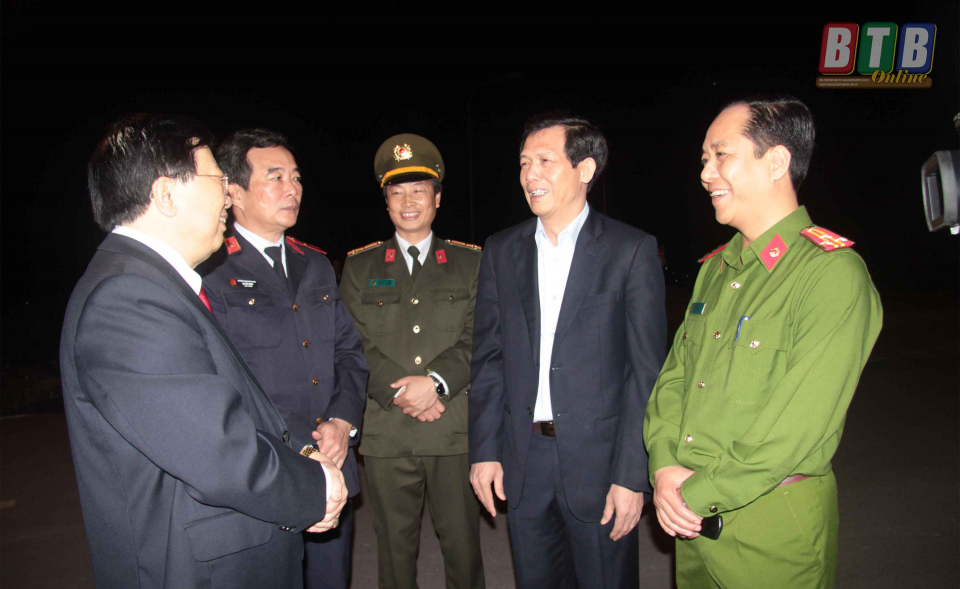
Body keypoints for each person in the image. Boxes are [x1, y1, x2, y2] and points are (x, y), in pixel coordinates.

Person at [60, 114, 346, 589]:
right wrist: (314, 487)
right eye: (217, 181)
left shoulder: (152, 285)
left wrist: (301, 448)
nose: (227, 198)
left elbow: (235, 405)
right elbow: (218, 451)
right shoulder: (127, 299)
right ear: (166, 195)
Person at [644, 98, 883, 588]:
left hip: (771, 532)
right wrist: (664, 465)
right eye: (704, 160)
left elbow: (797, 426)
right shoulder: (715, 269)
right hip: (690, 523)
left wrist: (693, 495)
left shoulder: (830, 273)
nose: (706, 173)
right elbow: (674, 380)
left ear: (776, 161)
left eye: (721, 155)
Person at [469, 113, 668, 589]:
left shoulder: (630, 250)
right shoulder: (502, 250)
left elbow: (645, 374)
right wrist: (485, 450)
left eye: (544, 161)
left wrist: (632, 475)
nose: (529, 175)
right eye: (523, 163)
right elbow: (489, 358)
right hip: (525, 460)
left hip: (601, 465)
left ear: (585, 169)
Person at [202, 129, 369, 589]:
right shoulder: (211, 270)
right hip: (267, 472)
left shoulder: (314, 264)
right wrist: (303, 443)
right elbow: (225, 380)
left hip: (333, 464)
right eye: (275, 177)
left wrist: (342, 422)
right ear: (234, 192)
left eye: (295, 177)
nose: (292, 188)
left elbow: (348, 352)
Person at [339, 134, 485, 589]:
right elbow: (351, 342)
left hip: (452, 429)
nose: (408, 202)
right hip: (389, 432)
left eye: (418, 191)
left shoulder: (470, 263)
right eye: (397, 192)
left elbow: (481, 336)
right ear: (385, 202)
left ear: (437, 198)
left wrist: (435, 382)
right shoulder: (360, 267)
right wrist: (404, 391)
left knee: (463, 550)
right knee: (394, 554)